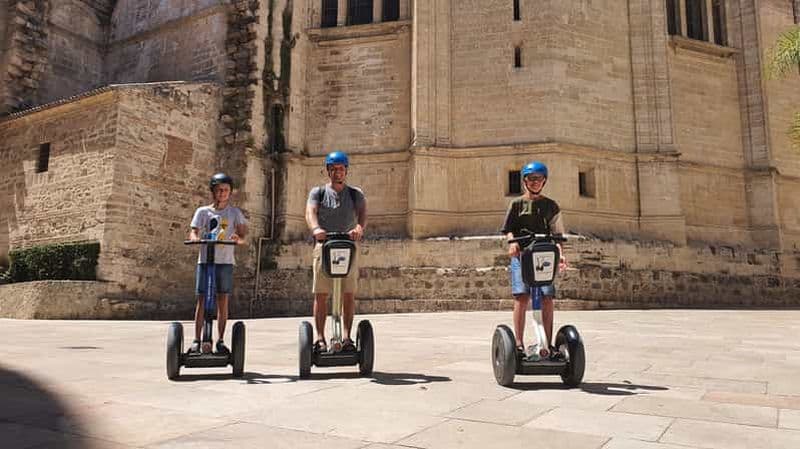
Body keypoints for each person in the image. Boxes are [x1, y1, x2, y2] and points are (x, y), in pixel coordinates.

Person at [500, 161, 567, 358]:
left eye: (539, 179)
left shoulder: (551, 206)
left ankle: (547, 343)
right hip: (522, 255)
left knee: (547, 297)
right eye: (531, 179)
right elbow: (508, 228)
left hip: (544, 255)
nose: (535, 182)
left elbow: (558, 233)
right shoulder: (517, 203)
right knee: (521, 297)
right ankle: (518, 345)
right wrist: (512, 242)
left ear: (544, 181)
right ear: (525, 181)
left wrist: (561, 254)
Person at [305, 151, 367, 353]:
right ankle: (320, 338)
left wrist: (359, 228)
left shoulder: (355, 193)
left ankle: (347, 338)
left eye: (341, 169)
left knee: (349, 293)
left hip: (348, 247)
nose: (337, 172)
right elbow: (311, 212)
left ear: (346, 171)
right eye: (333, 169)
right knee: (321, 293)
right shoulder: (318, 192)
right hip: (324, 246)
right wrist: (316, 229)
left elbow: (363, 213)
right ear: (328, 171)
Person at [188, 173, 248, 354]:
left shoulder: (234, 213)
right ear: (213, 191)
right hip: (206, 261)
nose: (222, 193)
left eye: (226, 190)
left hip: (225, 262)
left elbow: (243, 236)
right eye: (219, 190)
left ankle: (221, 340)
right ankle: (197, 340)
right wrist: (195, 238)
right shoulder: (202, 212)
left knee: (223, 300)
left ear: (230, 192)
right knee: (202, 300)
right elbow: (193, 232)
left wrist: (238, 238)